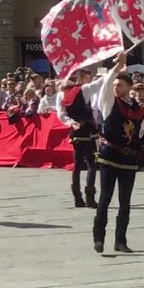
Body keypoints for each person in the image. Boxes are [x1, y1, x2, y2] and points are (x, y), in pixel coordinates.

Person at [91, 54, 144, 254]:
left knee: (125, 201)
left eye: (120, 85)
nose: (116, 88)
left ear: (129, 87)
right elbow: (106, 84)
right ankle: (99, 237)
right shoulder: (109, 103)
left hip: (128, 158)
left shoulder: (138, 109)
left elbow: (140, 132)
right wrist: (118, 66)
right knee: (105, 197)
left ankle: (120, 240)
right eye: (115, 85)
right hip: (109, 155)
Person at [58, 69, 106, 209]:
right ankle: (90, 197)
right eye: (88, 76)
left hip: (75, 131)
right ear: (83, 77)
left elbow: (61, 114)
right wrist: (111, 71)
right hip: (87, 130)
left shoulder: (63, 93)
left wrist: (70, 122)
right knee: (91, 164)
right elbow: (99, 83)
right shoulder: (84, 89)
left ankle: (77, 197)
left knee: (77, 165)